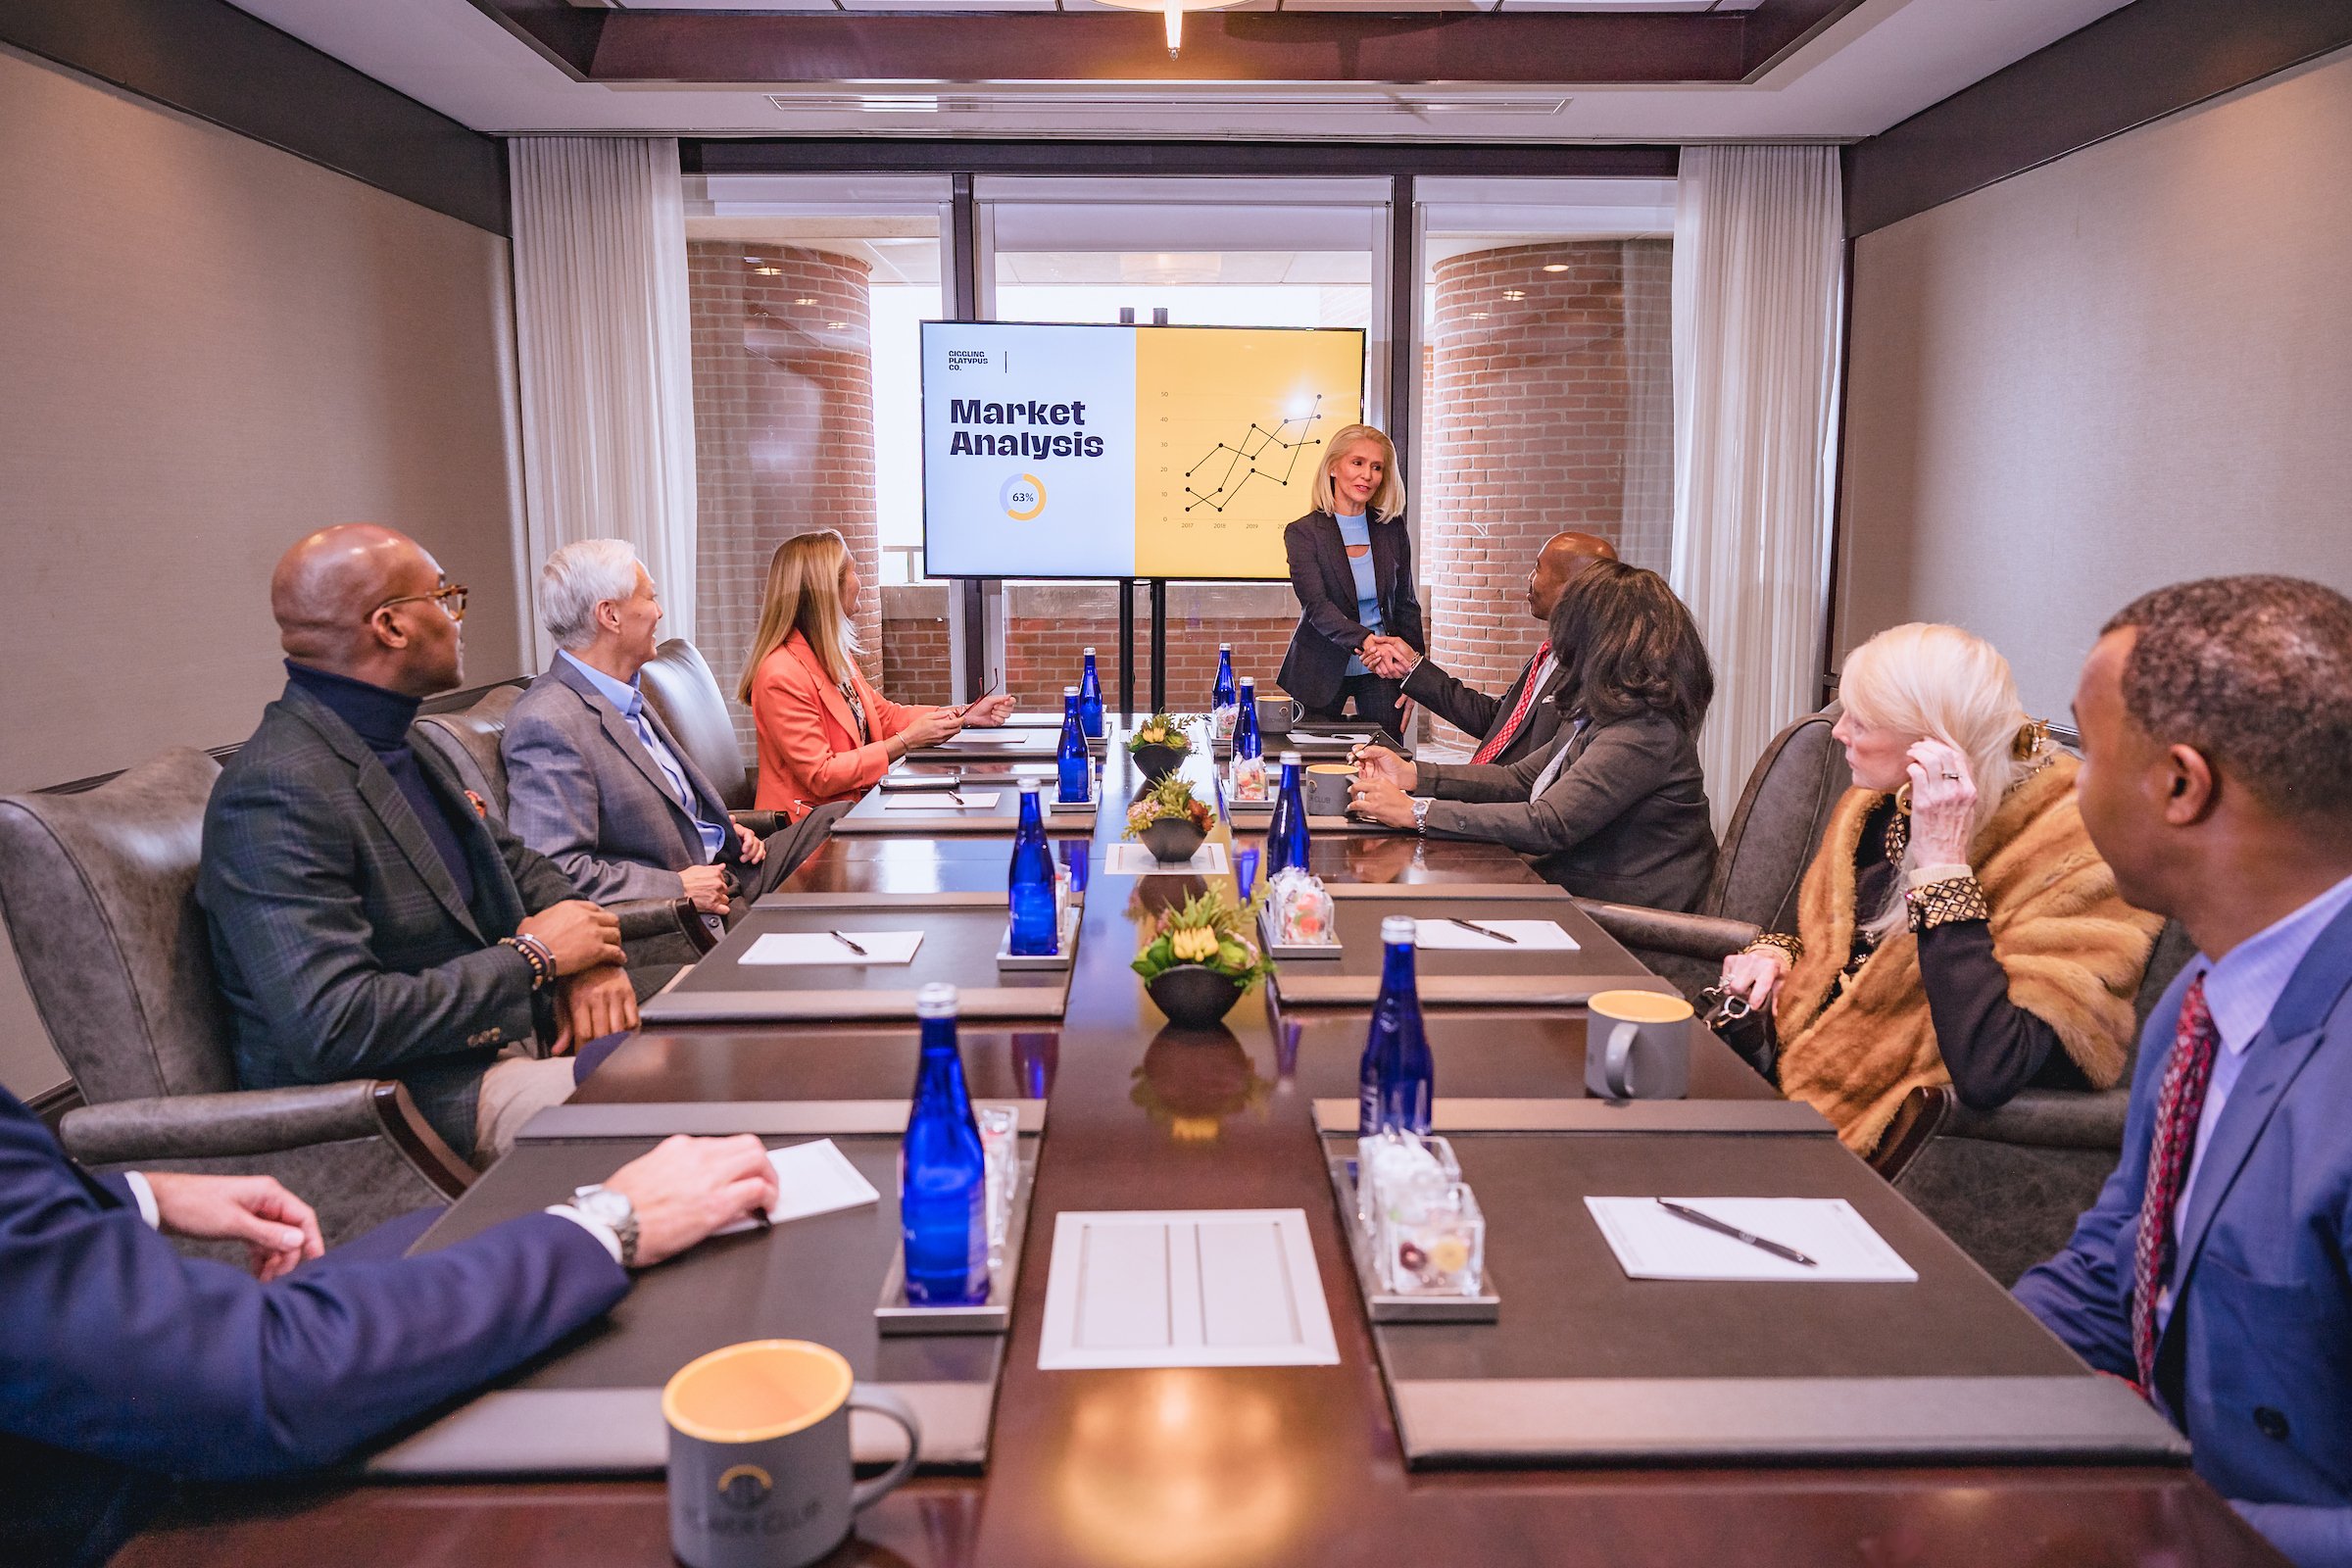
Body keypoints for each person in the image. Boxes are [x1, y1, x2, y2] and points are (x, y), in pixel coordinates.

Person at [0, 1079, 777, 1568]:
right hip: (123, 1511)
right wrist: (612, 1224)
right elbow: (263, 1377)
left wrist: (136, 1193)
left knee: (439, 1238)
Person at [2014, 575, 2352, 1568]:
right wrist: (1948, 1379)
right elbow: (2120, 1263)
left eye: (2083, 748)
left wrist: (2151, 1529)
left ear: (2180, 786)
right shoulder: (2203, 1001)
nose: (2070, 782)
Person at [200, 525, 639, 1163]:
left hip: (500, 1045)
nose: (458, 619)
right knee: (676, 1100)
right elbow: (335, 1026)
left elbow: (519, 865)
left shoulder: (398, 740)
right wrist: (537, 959)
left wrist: (589, 956)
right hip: (397, 1111)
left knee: (715, 1041)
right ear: (392, 626)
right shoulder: (276, 789)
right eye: (445, 597)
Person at [1714, 622, 2161, 1153]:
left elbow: (1992, 1066)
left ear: (1936, 741)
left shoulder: (2076, 851)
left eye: (1862, 721)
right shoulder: (1881, 803)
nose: (1839, 732)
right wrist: (1773, 957)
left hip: (1882, 1137)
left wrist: (1943, 868)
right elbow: (1831, 944)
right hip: (1788, 1087)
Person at [1347, 561, 1716, 910]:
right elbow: (1520, 779)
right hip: (1575, 887)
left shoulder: (1644, 730)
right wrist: (1412, 775)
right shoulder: (1606, 710)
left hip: (1621, 916)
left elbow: (1548, 824)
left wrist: (1417, 812)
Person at [504, 539, 837, 926]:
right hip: (689, 912)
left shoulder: (627, 692)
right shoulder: (547, 721)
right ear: (610, 615)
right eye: (650, 598)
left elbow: (666, 807)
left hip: (732, 867)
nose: (659, 611)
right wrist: (675, 886)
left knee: (843, 822)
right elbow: (554, 872)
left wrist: (724, 832)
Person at [741, 529, 1013, 817]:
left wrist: (965, 713)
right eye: (853, 571)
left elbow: (882, 718)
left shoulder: (829, 654)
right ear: (828, 589)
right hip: (809, 829)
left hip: (852, 809)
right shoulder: (780, 675)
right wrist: (906, 741)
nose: (859, 582)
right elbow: (822, 775)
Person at [1365, 530, 1618, 766]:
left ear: (1573, 587)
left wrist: (1420, 777)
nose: (1530, 578)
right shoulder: (1549, 656)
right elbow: (1498, 721)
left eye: (1538, 568)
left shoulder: (1588, 674)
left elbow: (1528, 776)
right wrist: (1413, 665)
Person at [1276, 424, 1425, 739]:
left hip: (1382, 668)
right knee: (1310, 759)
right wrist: (1366, 640)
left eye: (1376, 467)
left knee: (1385, 757)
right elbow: (1317, 607)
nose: (1367, 475)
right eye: (1357, 463)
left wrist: (1416, 675)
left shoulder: (1392, 528)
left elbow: (1406, 605)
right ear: (1333, 467)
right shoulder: (1303, 533)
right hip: (1319, 667)